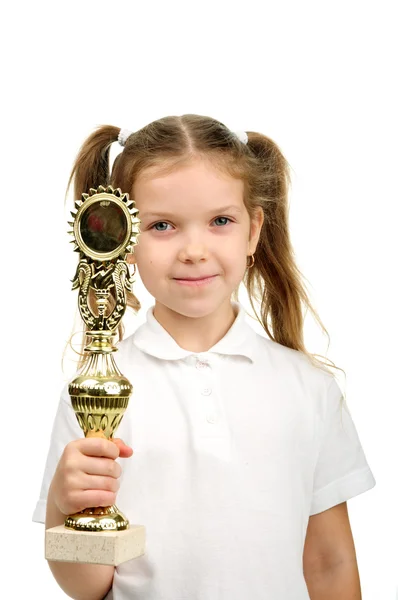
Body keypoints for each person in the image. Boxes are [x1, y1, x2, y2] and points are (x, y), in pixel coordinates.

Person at [33, 114, 376, 600]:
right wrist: (61, 508)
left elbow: (329, 562)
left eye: (220, 221)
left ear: (253, 231)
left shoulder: (308, 388)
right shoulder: (97, 392)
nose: (194, 250)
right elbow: (88, 587)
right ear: (124, 237)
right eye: (163, 225)